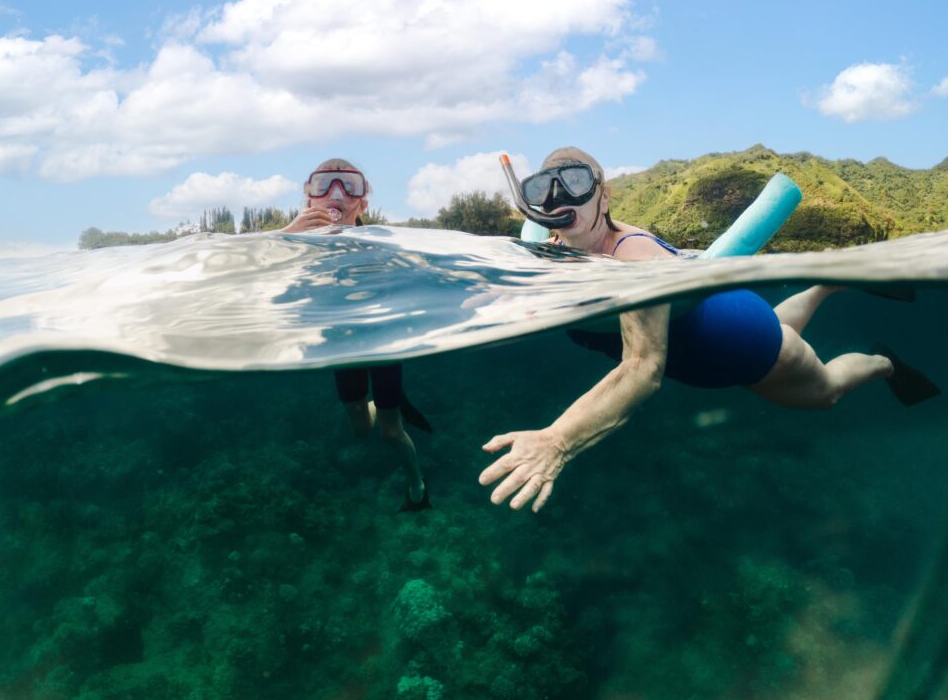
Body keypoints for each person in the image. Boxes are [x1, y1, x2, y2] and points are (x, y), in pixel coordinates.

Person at [479, 146, 939, 513]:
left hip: (752, 349)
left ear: (605, 194)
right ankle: (828, 283)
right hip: (733, 318)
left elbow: (642, 367)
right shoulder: (550, 254)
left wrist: (557, 441)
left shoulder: (635, 259)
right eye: (545, 187)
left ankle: (884, 361)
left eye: (576, 182)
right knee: (781, 328)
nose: (560, 197)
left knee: (826, 392)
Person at [282, 159, 431, 511]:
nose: (337, 194)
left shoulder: (377, 243)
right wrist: (286, 235)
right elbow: (245, 265)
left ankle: (418, 486)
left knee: (391, 433)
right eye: (324, 185)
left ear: (363, 203)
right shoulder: (291, 246)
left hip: (382, 346)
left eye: (349, 185)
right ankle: (386, 405)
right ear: (309, 199)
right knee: (361, 429)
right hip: (341, 347)